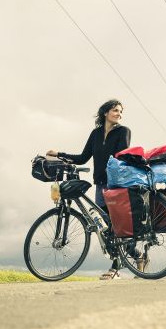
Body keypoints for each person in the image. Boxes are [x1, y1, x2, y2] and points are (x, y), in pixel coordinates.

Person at [46, 99, 130, 280]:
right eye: (115, 110)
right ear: (105, 112)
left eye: (120, 111)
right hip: (100, 184)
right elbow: (83, 157)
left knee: (117, 227)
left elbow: (121, 157)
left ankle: (116, 267)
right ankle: (138, 256)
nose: (119, 114)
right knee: (106, 228)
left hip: (116, 185)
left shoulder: (123, 131)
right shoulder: (96, 134)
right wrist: (59, 154)